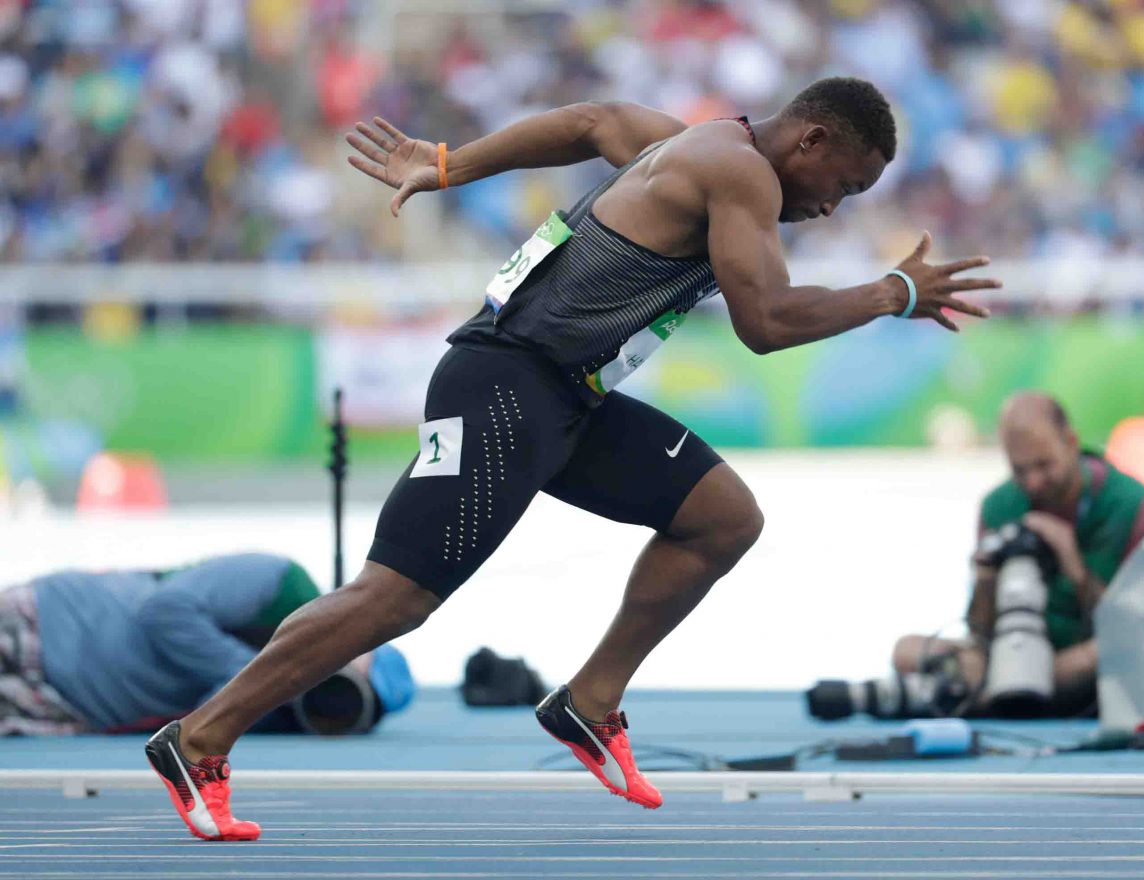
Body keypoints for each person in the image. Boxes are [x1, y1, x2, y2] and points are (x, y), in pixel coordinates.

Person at [147, 76, 998, 840]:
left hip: (565, 399)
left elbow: (593, 120)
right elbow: (766, 323)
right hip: (505, 387)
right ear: (811, 139)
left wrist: (450, 163)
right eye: (845, 185)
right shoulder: (742, 172)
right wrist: (893, 293)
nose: (833, 208)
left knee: (722, 518)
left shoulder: (689, 143)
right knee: (394, 596)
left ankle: (590, 702)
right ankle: (201, 738)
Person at [893, 392, 1144, 716]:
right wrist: (985, 581)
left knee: (1104, 651)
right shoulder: (998, 506)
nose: (1033, 482)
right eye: (1019, 470)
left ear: (1071, 442)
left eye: (1043, 465)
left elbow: (1142, 628)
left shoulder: (1135, 506)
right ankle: (1003, 691)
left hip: (1088, 657)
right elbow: (979, 634)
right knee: (906, 650)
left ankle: (986, 695)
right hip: (1011, 651)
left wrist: (1073, 565)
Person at [0, 553, 413, 736]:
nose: (329, 686)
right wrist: (268, 678)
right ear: (356, 638)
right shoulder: (286, 585)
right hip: (52, 623)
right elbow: (164, 610)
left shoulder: (287, 714)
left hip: (57, 707)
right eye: (347, 664)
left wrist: (274, 698)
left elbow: (197, 720)